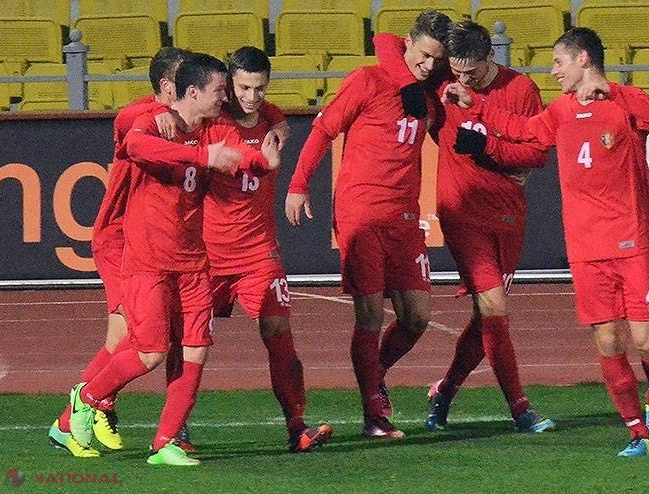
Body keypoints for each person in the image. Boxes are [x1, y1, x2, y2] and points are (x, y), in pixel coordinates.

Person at [444, 27, 649, 457]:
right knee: (608, 341)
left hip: (631, 240)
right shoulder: (562, 111)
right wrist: (474, 103)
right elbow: (522, 129)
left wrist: (614, 92)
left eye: (558, 62)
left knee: (648, 342)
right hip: (586, 248)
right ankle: (636, 433)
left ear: (583, 58)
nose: (553, 72)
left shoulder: (625, 103)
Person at [66, 52, 280, 466]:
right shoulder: (154, 121)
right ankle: (87, 396)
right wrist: (202, 157)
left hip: (194, 261)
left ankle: (165, 442)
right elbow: (134, 144)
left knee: (197, 349)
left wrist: (262, 162)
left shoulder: (216, 126)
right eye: (220, 90)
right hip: (148, 261)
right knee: (150, 352)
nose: (226, 98)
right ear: (193, 92)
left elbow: (238, 153)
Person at [372, 19, 556, 434]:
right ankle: (520, 409)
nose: (462, 81)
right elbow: (385, 40)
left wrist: (489, 149)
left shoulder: (521, 89)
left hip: (507, 214)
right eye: (456, 72)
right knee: (494, 307)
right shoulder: (442, 79)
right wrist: (409, 86)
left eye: (470, 73)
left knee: (485, 317)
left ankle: (445, 390)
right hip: (462, 212)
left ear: (490, 56)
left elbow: (538, 154)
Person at [285, 10, 453, 439]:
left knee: (417, 317)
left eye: (437, 59)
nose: (429, 64)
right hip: (361, 212)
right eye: (424, 54)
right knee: (370, 315)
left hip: (406, 217)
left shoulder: (429, 96)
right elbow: (323, 131)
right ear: (408, 42)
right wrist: (299, 184)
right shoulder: (366, 80)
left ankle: (373, 376)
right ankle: (373, 414)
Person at [48, 47, 187, 458]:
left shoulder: (187, 117)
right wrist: (156, 113)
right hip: (120, 237)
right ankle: (82, 410)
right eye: (188, 81)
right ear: (167, 86)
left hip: (149, 239)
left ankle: (84, 411)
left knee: (135, 334)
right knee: (131, 336)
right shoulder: (143, 115)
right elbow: (125, 119)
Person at [204, 45, 331, 453]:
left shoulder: (272, 122)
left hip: (259, 252)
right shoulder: (210, 122)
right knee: (189, 341)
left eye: (259, 88)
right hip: (208, 254)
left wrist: (275, 122)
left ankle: (297, 426)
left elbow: (274, 117)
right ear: (229, 85)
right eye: (243, 88)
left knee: (278, 331)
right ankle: (178, 428)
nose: (251, 96)